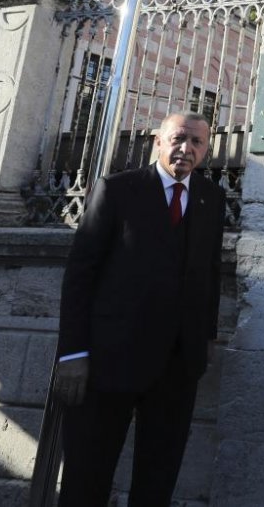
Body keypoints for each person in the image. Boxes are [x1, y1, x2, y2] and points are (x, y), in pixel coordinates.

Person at [53, 112, 224, 506]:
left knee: (157, 481)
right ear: (158, 142)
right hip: (109, 361)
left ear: (206, 151)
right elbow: (80, 276)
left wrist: (206, 337)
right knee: (87, 478)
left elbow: (210, 272)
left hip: (177, 366)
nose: (187, 149)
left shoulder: (210, 197)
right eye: (179, 138)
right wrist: (73, 353)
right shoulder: (116, 190)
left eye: (197, 143)